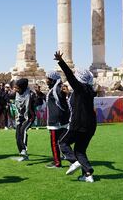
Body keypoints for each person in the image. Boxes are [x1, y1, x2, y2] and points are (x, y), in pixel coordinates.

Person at [55, 51, 97, 183]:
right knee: (80, 150)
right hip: (91, 126)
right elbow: (77, 100)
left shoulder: (80, 88)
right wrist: (69, 94)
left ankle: (73, 162)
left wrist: (61, 61)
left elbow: (70, 76)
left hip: (79, 123)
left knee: (63, 142)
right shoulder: (89, 90)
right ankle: (88, 174)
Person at [45, 71, 70, 169]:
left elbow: (62, 95)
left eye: (48, 79)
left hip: (56, 121)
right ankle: (68, 160)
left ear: (52, 79)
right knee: (62, 142)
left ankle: (57, 163)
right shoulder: (55, 88)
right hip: (60, 119)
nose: (46, 80)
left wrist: (65, 91)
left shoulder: (58, 88)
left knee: (55, 143)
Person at [13, 78, 36, 162]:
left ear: (22, 88)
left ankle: (24, 149)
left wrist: (38, 97)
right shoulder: (16, 94)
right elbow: (6, 96)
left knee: (23, 130)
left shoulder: (31, 94)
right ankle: (23, 155)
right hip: (20, 118)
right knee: (17, 136)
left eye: (17, 88)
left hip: (29, 118)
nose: (15, 89)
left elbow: (39, 101)